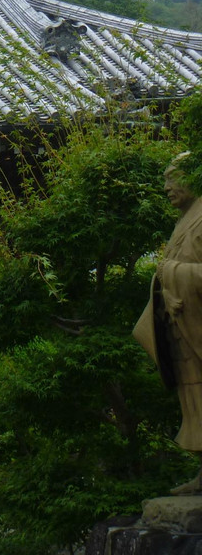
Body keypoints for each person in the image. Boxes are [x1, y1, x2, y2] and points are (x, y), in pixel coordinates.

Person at [134, 154, 202, 493]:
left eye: (173, 178)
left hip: (196, 328)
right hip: (182, 328)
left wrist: (170, 272)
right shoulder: (184, 220)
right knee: (193, 400)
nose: (166, 187)